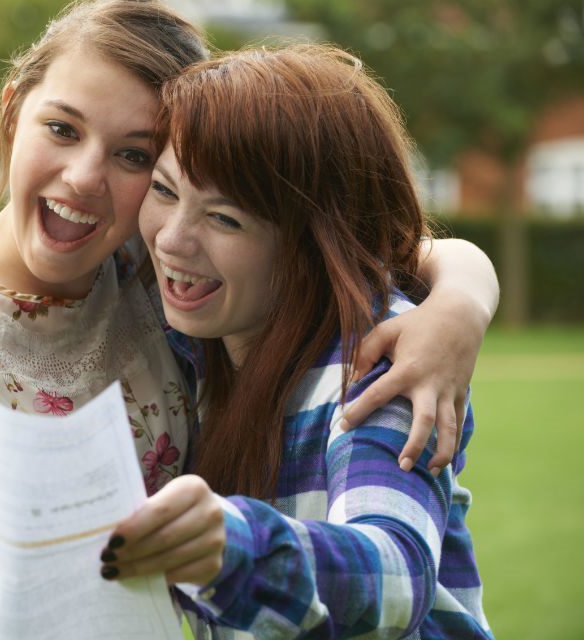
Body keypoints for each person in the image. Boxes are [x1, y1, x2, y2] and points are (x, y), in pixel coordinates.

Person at [0, 1, 495, 637]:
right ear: (11, 110)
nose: (85, 178)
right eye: (62, 128)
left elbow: (341, 240)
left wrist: (459, 297)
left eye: (135, 157)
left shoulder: (152, 295)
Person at [100, 45, 493, 639]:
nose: (171, 240)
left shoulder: (378, 360)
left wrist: (233, 544)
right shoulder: (189, 329)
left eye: (225, 218)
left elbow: (395, 571)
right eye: (164, 189)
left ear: (315, 245)